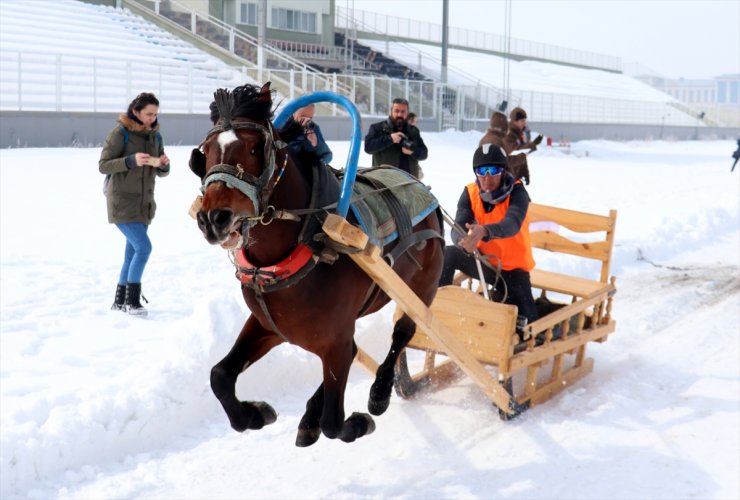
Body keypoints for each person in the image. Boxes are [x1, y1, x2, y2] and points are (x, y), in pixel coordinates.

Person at [439, 143, 538, 331]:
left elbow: (512, 224)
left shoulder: (518, 193)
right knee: (449, 253)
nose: (487, 176)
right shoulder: (469, 192)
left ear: (503, 171)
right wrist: (462, 242)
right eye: (481, 170)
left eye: (493, 170)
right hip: (485, 263)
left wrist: (484, 232)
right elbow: (458, 226)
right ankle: (439, 307)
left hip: (513, 270)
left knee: (527, 327)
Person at [99, 92, 170, 317]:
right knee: (144, 248)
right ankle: (132, 301)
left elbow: (161, 172)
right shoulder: (120, 133)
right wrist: (130, 161)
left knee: (131, 254)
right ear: (136, 112)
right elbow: (103, 165)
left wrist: (163, 165)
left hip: (144, 204)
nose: (152, 118)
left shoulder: (155, 137)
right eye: (148, 113)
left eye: (155, 114)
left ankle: (119, 302)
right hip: (121, 201)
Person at [364, 97, 428, 178]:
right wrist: (390, 139)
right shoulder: (377, 128)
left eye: (403, 111)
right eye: (396, 111)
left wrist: (413, 152)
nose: (400, 114)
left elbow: (424, 153)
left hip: (410, 183)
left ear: (407, 113)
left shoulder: (413, 131)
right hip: (384, 183)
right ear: (390, 112)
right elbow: (368, 148)